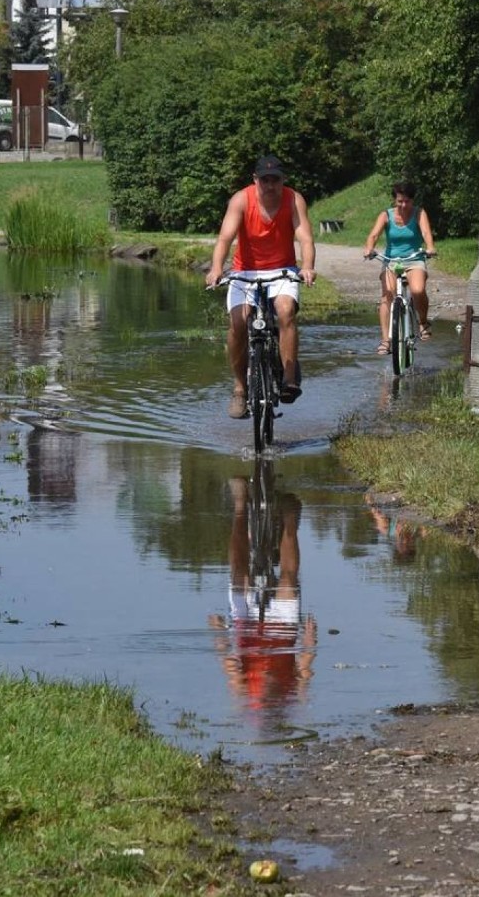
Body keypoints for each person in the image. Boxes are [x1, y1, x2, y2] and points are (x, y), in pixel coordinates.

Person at [205, 156, 316, 420]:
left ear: (282, 180)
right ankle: (240, 389)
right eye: (264, 179)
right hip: (244, 271)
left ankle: (290, 379)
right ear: (255, 180)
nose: (270, 185)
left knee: (286, 310)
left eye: (275, 179)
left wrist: (308, 266)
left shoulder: (293, 200)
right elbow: (224, 238)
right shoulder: (241, 200)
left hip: (282, 270)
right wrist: (216, 268)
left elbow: (305, 237)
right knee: (239, 323)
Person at [208, 473, 316, 721]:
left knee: (238, 576)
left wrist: (219, 633)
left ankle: (240, 504)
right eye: (271, 703)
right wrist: (309, 639)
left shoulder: (244, 695)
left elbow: (230, 664)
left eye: (264, 703)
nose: (267, 697)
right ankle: (289, 520)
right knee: (288, 580)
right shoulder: (291, 695)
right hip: (283, 631)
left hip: (246, 629)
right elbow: (305, 669)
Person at [363, 180, 436, 354]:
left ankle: (423, 322)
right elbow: (373, 235)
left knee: (418, 290)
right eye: (400, 201)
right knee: (387, 295)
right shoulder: (386, 215)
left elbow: (426, 232)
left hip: (414, 258)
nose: (403, 205)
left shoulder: (419, 213)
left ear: (412, 200)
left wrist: (430, 247)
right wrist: (369, 248)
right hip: (391, 260)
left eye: (407, 201)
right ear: (395, 200)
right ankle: (385, 341)